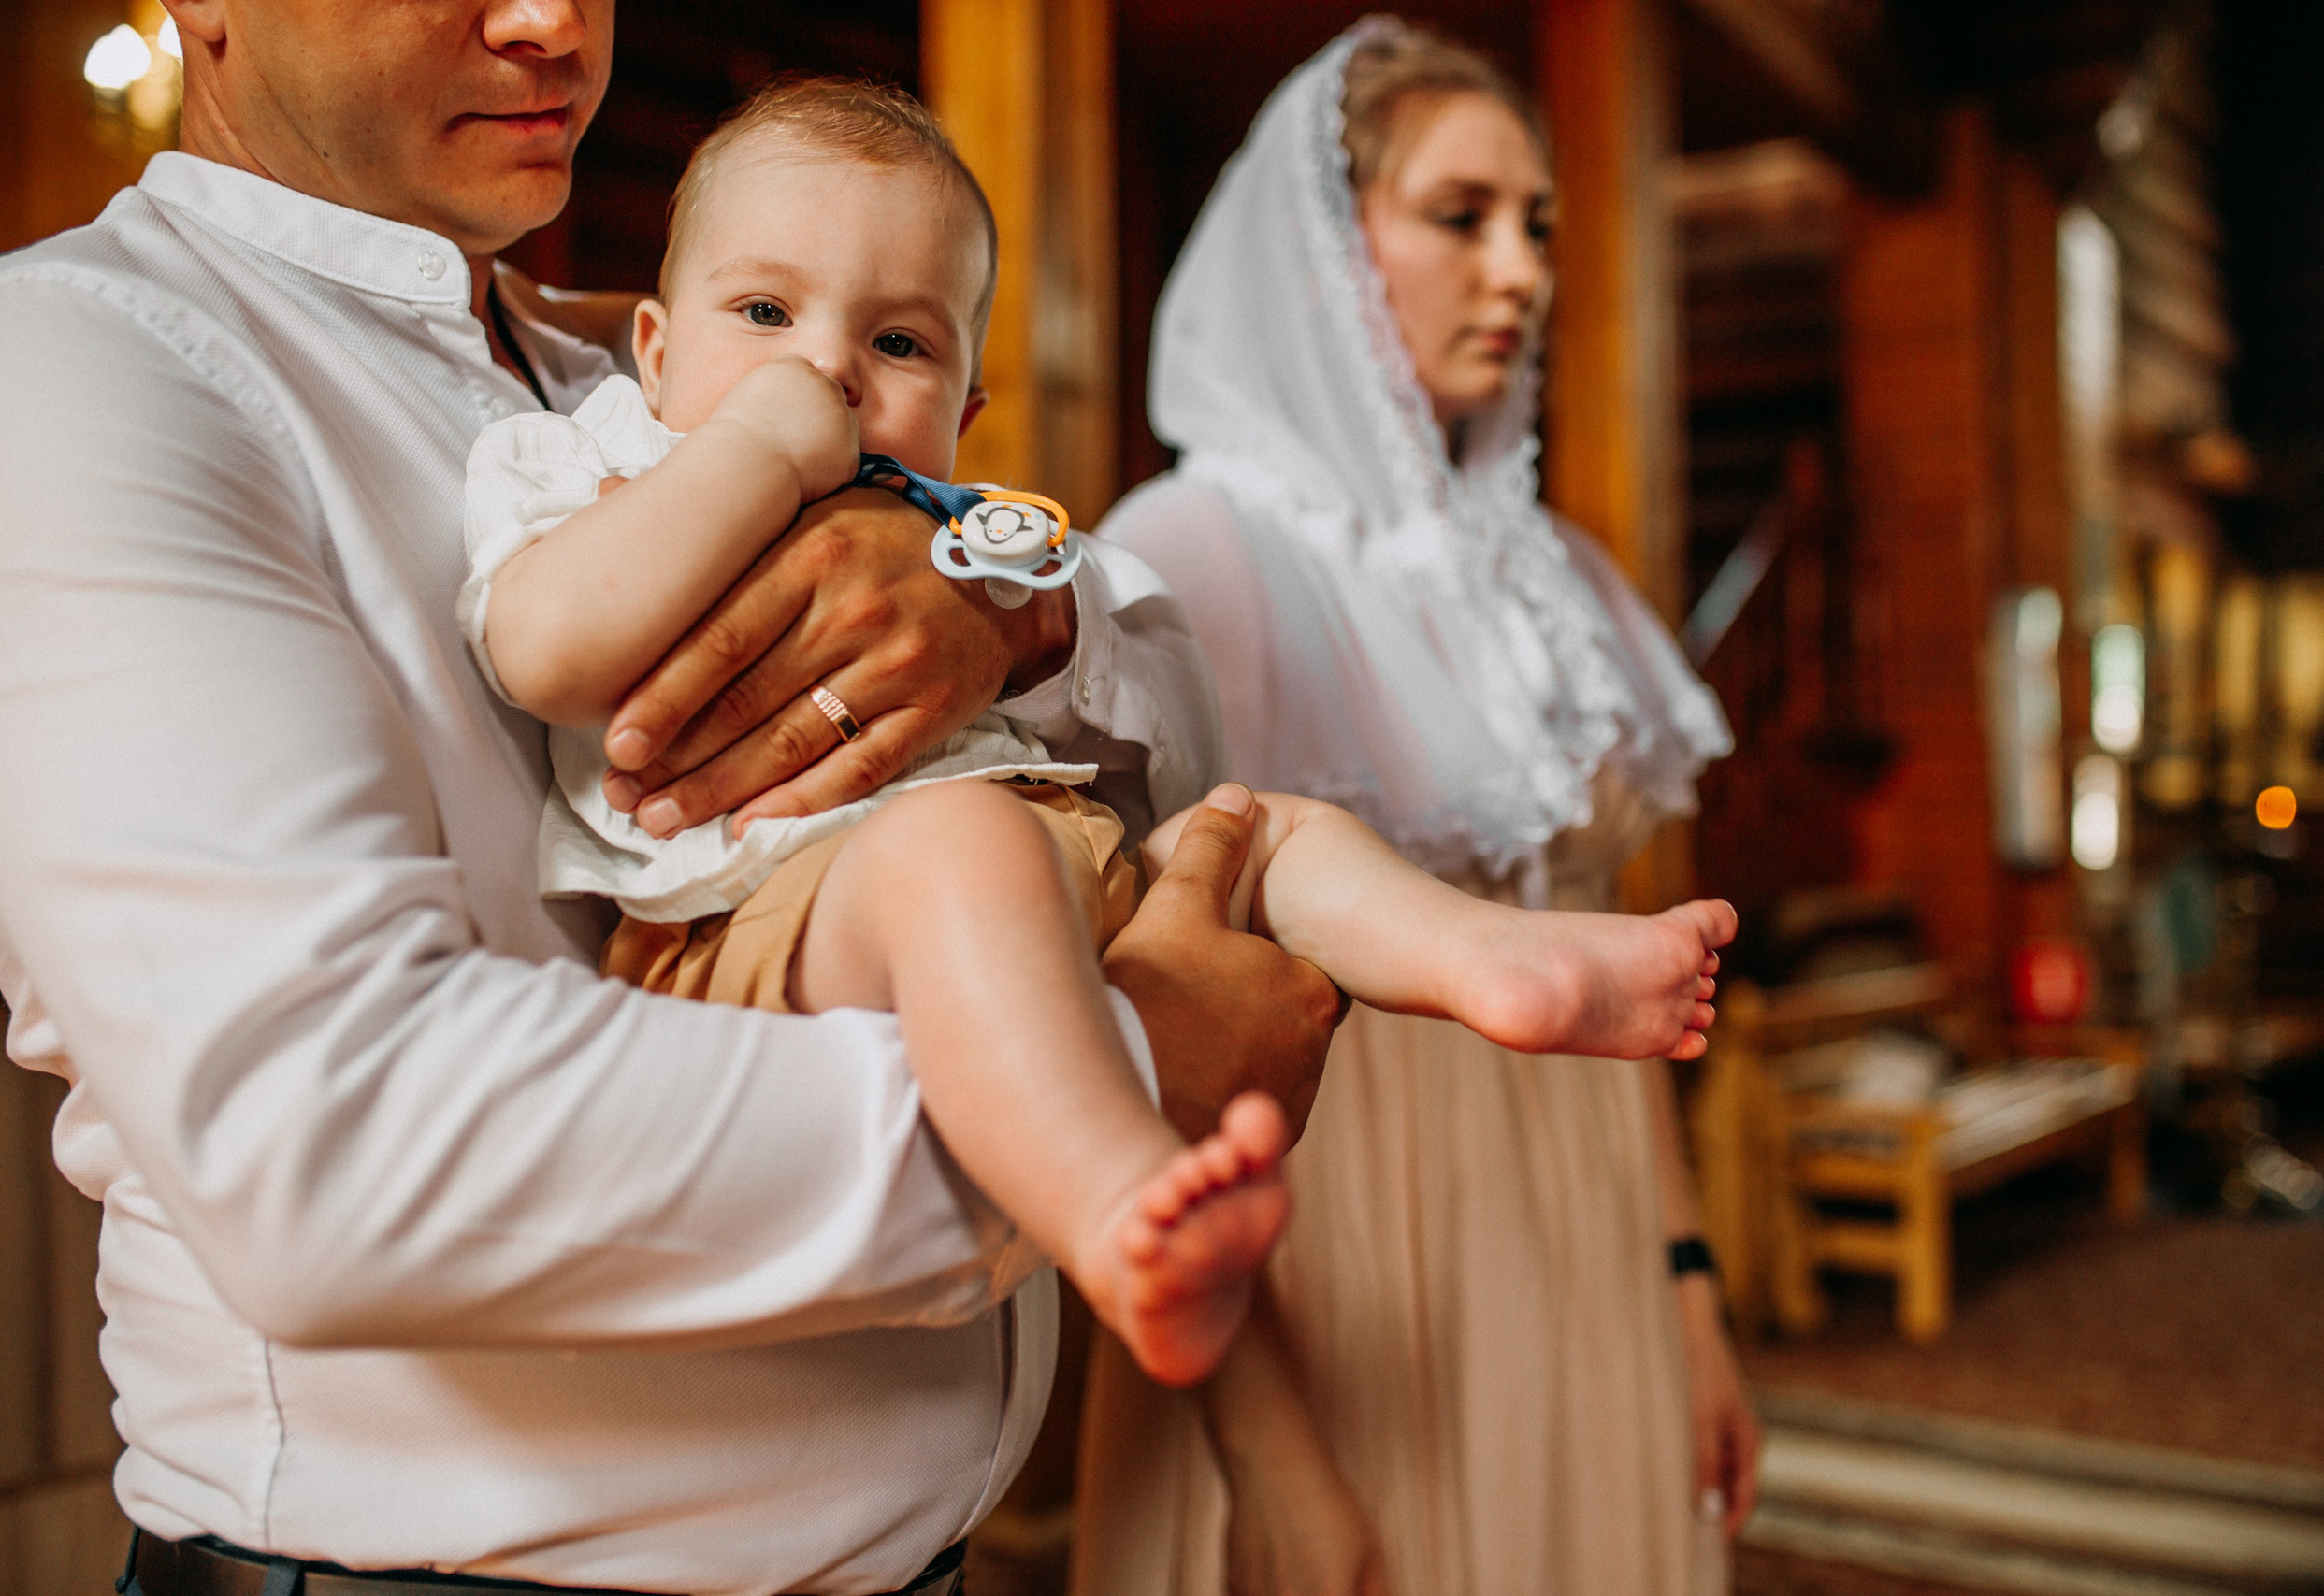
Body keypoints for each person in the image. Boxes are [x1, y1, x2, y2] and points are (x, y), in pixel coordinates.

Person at [0, 3, 1345, 1593]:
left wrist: (1016, 616)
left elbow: (1182, 737)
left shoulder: (696, 357)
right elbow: (333, 1143)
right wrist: (1123, 1071)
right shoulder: (80, 366)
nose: (554, 21)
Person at [464, 77, 1738, 1389]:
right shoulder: (594, 465)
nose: (826, 369)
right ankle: (1119, 1205)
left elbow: (1160, 708)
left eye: (899, 345)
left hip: (1049, 868)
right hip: (757, 923)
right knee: (961, 848)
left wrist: (1009, 602)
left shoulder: (973, 543)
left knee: (1266, 831)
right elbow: (549, 649)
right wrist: (763, 448)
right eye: (767, 313)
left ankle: (1494, 965)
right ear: (657, 352)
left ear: (964, 414)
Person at [1073, 20, 1760, 1596]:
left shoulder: (1562, 582)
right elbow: (1142, 1054)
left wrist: (1688, 1290)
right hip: (1332, 1262)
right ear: (1322, 251)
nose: (1519, 271)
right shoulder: (1198, 550)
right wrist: (1270, 1444)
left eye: (1538, 227)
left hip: (1582, 1237)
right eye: (1461, 217)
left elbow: (1633, 974)